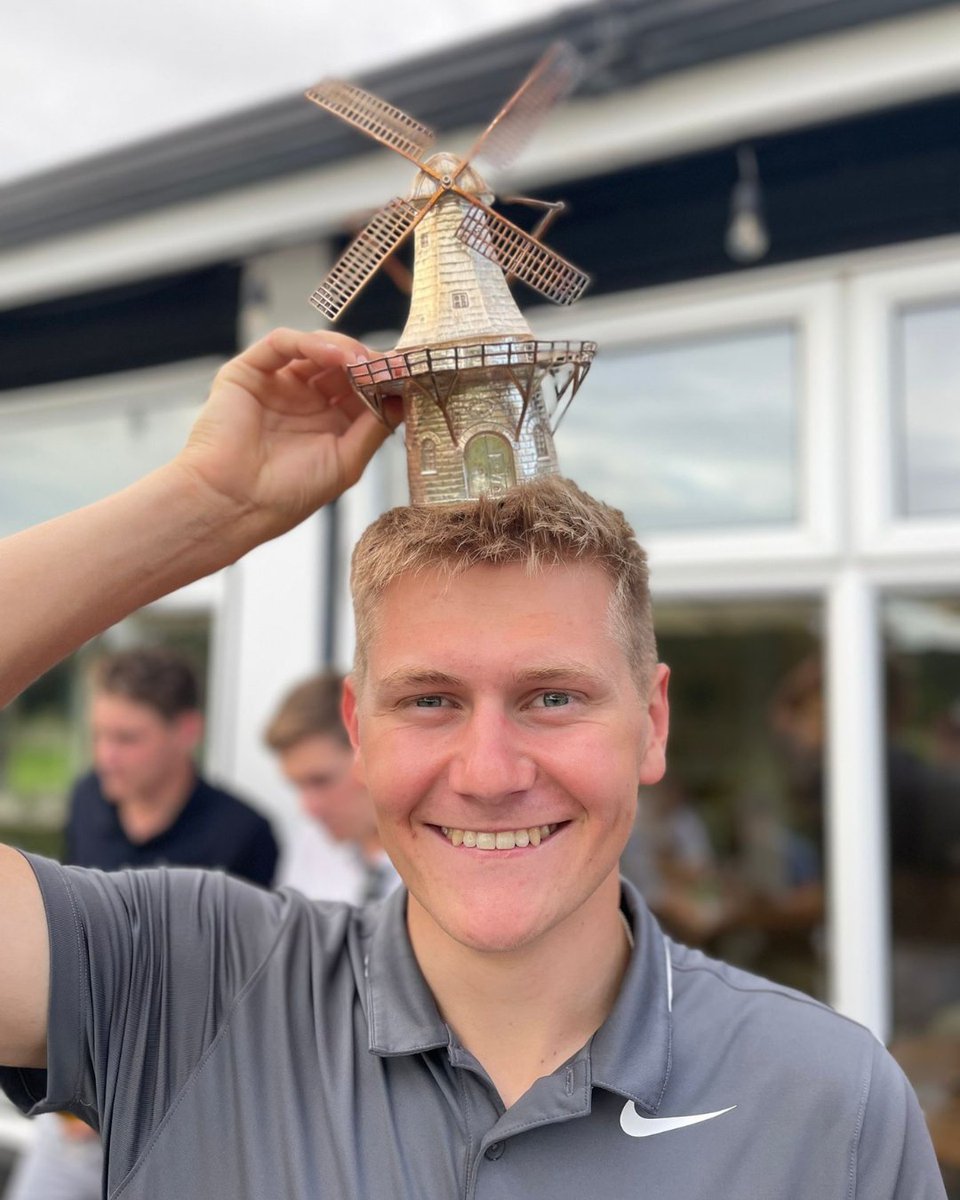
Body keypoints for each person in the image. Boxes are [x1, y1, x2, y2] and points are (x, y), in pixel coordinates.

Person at [0, 328, 946, 1198]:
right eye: (430, 701)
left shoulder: (832, 1101)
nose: (490, 773)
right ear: (359, 730)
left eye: (553, 697)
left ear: (652, 723)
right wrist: (207, 505)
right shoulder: (184, 983)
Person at [4, 647, 279, 1200]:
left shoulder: (243, 833)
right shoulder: (87, 801)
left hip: (179, 1112)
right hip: (72, 1102)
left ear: (187, 732)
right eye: (99, 735)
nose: (105, 756)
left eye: (127, 738)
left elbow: (239, 993)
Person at [264, 671, 399, 902]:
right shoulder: (312, 844)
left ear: (371, 752)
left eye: (321, 781)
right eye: (298, 786)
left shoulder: (445, 853)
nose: (309, 807)